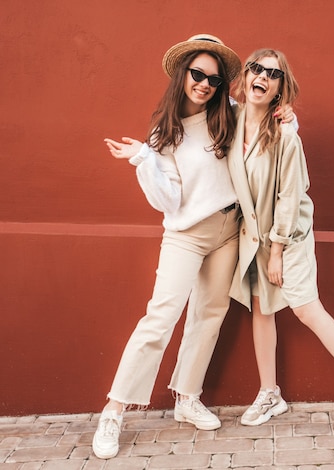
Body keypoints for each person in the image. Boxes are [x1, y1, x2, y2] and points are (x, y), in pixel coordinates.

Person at [92, 34, 294, 460]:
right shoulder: (164, 133)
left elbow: (270, 122)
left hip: (230, 228)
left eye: (214, 79)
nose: (204, 84)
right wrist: (144, 160)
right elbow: (168, 201)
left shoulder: (231, 114)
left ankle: (186, 397)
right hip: (186, 233)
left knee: (210, 314)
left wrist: (286, 115)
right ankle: (114, 410)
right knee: (161, 317)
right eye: (197, 74)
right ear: (182, 75)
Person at [228, 49, 334, 437]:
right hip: (253, 237)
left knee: (306, 309)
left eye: (273, 74)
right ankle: (270, 393)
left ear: (280, 90)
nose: (263, 77)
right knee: (262, 308)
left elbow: (290, 194)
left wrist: (279, 251)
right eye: (256, 68)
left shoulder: (285, 135)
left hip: (288, 237)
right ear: (246, 75)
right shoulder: (231, 121)